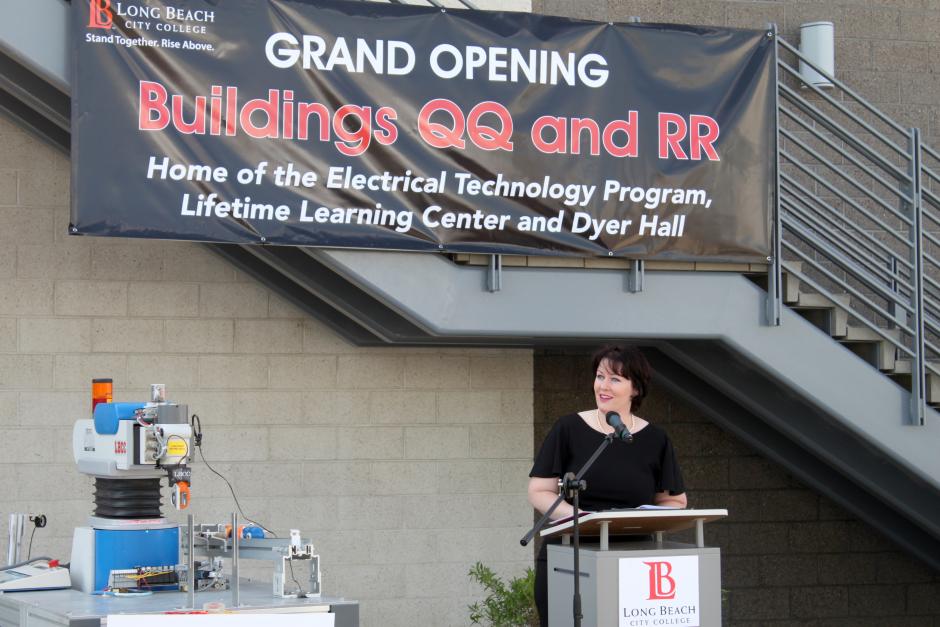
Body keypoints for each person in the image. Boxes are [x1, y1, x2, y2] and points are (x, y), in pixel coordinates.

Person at [527, 344, 687, 626]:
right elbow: (539, 490)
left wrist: (643, 519)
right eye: (600, 376)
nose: (604, 385)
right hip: (569, 558)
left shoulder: (655, 439)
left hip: (633, 563)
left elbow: (674, 501)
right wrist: (581, 518)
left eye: (615, 379)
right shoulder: (568, 428)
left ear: (635, 388)